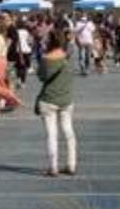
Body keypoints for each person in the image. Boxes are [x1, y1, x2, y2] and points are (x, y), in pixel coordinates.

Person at [37, 31, 78, 177]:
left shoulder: (45, 58)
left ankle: (53, 167)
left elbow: (41, 77)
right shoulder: (68, 58)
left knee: (51, 134)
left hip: (48, 100)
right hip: (66, 99)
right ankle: (71, 165)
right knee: (69, 131)